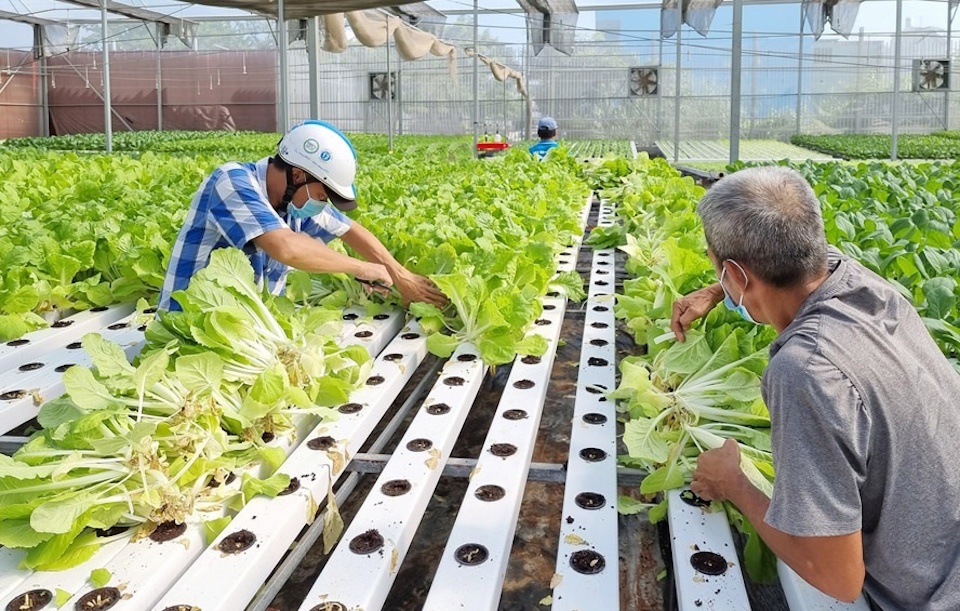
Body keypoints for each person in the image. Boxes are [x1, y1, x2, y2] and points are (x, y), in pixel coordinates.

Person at [670, 166, 960, 609]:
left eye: (721, 271)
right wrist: (717, 291)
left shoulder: (805, 371)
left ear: (738, 274)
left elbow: (838, 578)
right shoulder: (865, 284)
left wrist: (734, 484)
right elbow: (791, 261)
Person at [159, 120, 447, 311]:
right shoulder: (232, 180)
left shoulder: (291, 202)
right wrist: (360, 268)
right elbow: (286, 247)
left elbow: (349, 230)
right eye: (322, 196)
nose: (320, 206)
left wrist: (400, 275)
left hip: (244, 330)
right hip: (190, 327)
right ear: (298, 174)